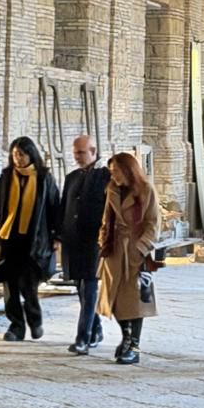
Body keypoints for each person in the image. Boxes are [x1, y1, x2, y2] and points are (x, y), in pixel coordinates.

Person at [0, 137, 61, 342]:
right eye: (14, 155)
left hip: (33, 239)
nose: (18, 159)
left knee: (29, 286)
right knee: (9, 286)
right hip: (9, 238)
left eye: (22, 154)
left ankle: (35, 320)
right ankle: (16, 326)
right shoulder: (7, 177)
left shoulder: (44, 178)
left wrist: (57, 236)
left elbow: (55, 208)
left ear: (31, 154)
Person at [98, 152, 160, 364]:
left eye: (116, 171)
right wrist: (103, 239)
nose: (113, 176)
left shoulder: (145, 190)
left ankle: (133, 345)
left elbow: (153, 223)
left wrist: (141, 247)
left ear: (128, 169)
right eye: (111, 172)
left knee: (135, 301)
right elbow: (107, 217)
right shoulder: (112, 190)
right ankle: (125, 337)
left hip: (136, 253)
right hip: (114, 251)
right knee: (113, 299)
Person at [57, 134, 109, 355]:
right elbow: (64, 207)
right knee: (80, 289)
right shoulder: (72, 178)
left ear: (93, 152)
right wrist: (58, 235)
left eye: (81, 152)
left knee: (88, 289)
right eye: (75, 152)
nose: (77, 157)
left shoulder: (105, 177)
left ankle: (83, 339)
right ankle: (95, 329)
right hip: (73, 241)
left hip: (92, 242)